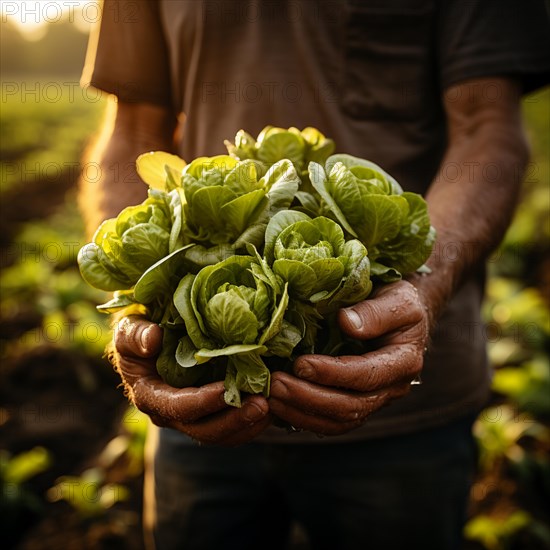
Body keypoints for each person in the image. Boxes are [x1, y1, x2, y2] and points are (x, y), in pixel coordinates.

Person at [79, 1, 550, 549]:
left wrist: (423, 284)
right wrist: (140, 298)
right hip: (201, 396)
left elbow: (488, 131)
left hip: (405, 414)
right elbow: (132, 130)